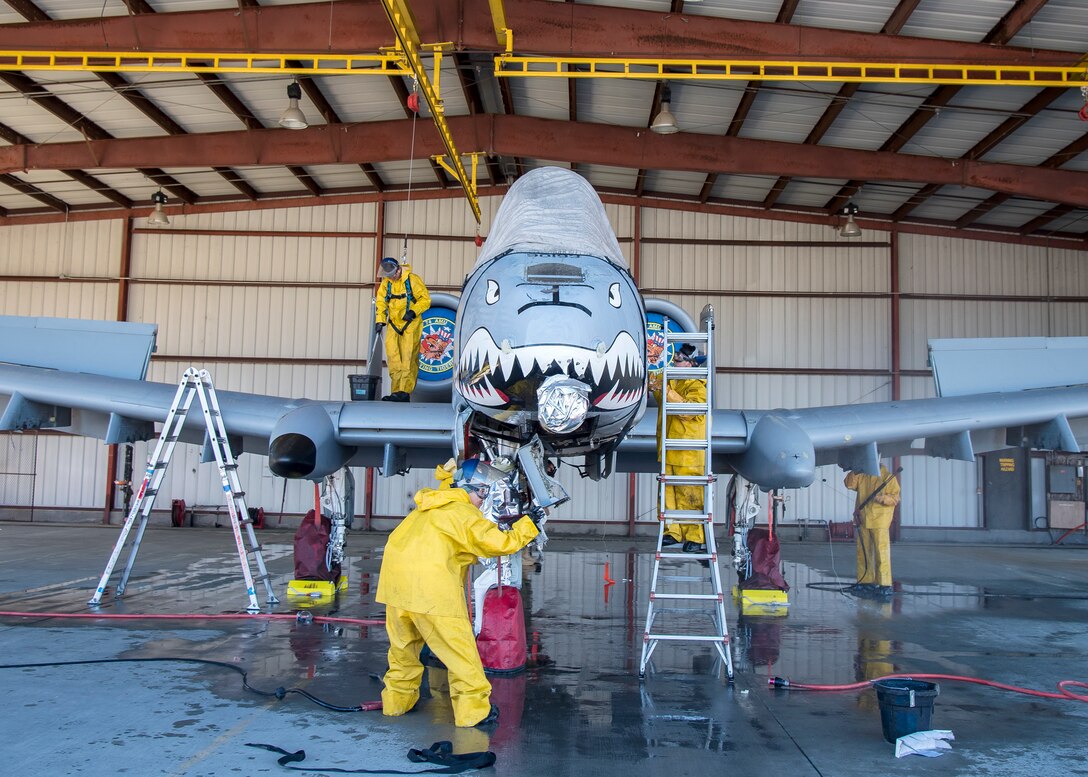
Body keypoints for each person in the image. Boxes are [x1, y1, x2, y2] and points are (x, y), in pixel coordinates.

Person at [376, 457, 541, 728]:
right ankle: (474, 714)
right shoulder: (461, 513)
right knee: (461, 656)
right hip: (432, 594)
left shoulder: (427, 507)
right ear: (469, 489)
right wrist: (528, 524)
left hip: (396, 591)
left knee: (402, 654)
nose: (482, 500)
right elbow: (499, 543)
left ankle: (396, 704)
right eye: (482, 493)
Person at [649, 343, 708, 554]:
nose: (674, 363)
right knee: (668, 494)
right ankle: (671, 532)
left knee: (690, 496)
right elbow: (657, 394)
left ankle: (694, 537)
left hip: (688, 452)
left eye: (678, 360)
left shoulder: (698, 385)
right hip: (668, 448)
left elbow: (688, 410)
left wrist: (665, 390)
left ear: (691, 363)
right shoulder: (671, 381)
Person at [375, 256, 431, 402]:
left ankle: (404, 392)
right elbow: (381, 303)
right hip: (393, 324)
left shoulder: (412, 280)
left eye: (392, 274)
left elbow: (425, 299)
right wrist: (380, 320)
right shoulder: (386, 283)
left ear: (398, 269)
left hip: (410, 324)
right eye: (388, 276)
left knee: (408, 358)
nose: (391, 277)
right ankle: (396, 392)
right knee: (393, 358)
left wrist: (413, 311)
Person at [843, 464, 901, 596]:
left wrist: (882, 498)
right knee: (863, 553)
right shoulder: (863, 474)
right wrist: (856, 470)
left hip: (880, 521)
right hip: (864, 519)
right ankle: (865, 581)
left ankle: (884, 584)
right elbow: (849, 484)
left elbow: (895, 498)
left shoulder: (887, 477)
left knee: (881, 553)